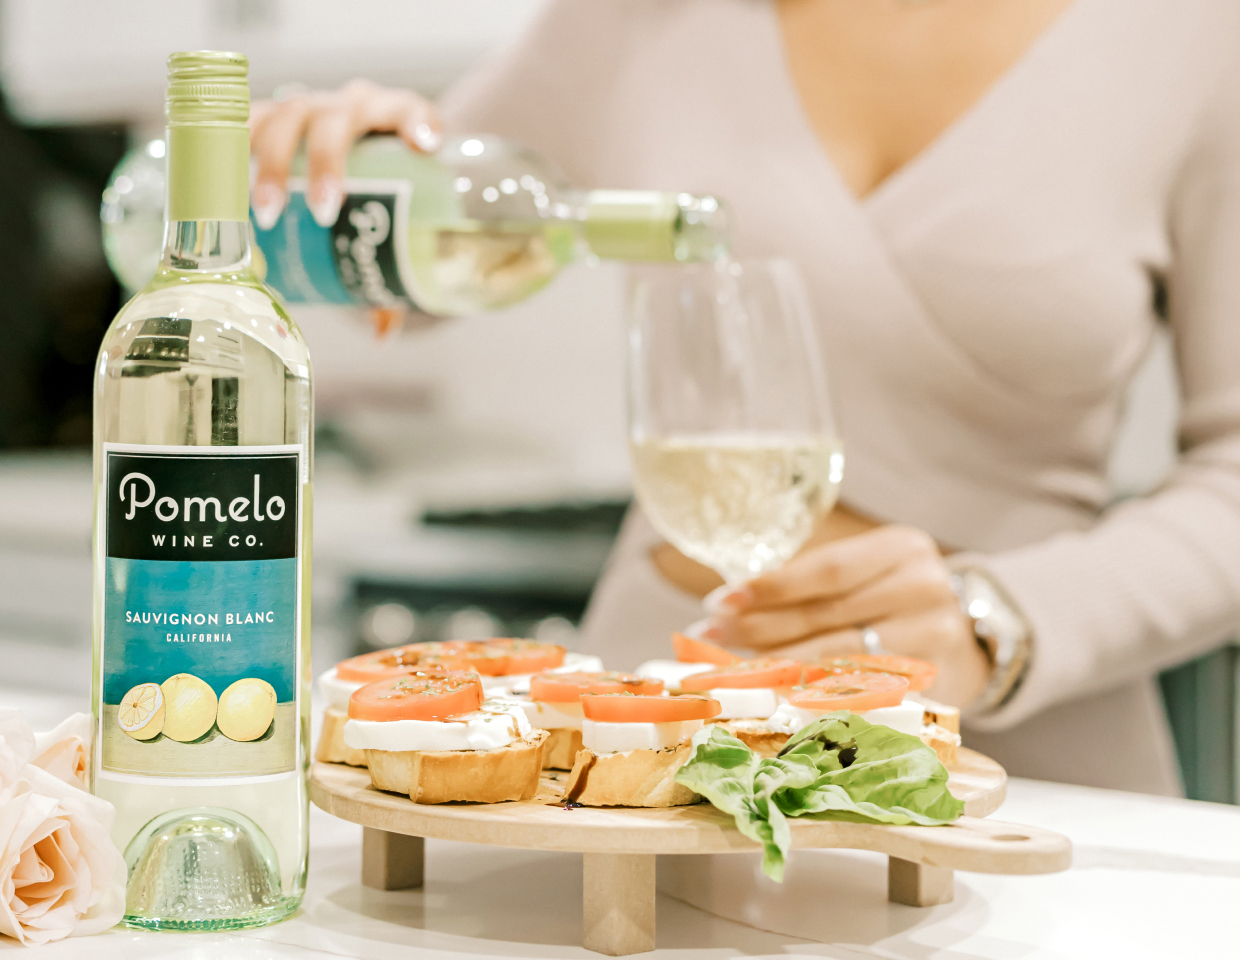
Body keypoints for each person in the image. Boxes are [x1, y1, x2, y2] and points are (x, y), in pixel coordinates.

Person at [250, 0, 1240, 795]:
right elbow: (404, 268)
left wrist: (1000, 621)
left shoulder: (1194, 37)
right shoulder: (640, 18)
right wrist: (339, 154)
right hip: (655, 748)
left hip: (1024, 757)